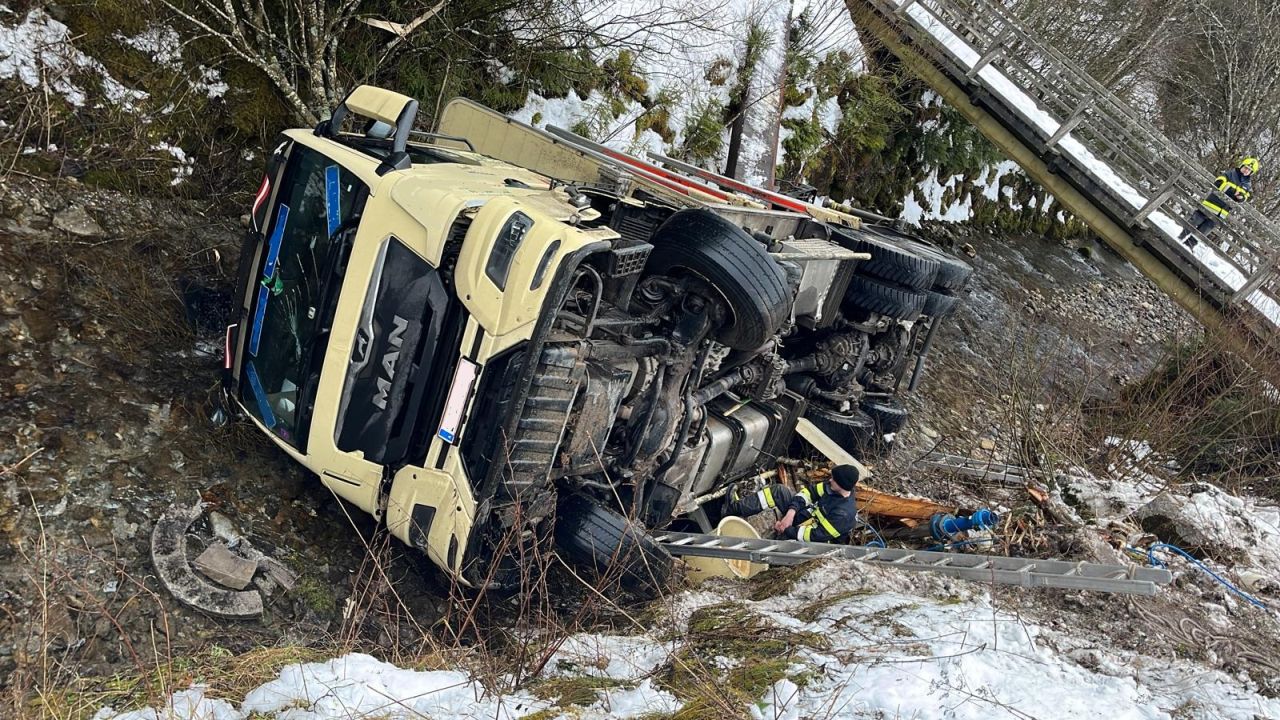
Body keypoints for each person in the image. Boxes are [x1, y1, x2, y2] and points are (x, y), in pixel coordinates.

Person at [723, 464, 862, 543]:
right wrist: (791, 512)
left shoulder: (843, 514)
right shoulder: (832, 487)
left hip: (811, 542)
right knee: (779, 491)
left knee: (784, 543)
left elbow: (815, 536)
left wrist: (786, 530)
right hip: (802, 517)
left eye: (834, 480)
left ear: (843, 485)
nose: (830, 480)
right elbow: (808, 493)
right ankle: (734, 508)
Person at [1181, 156, 1259, 248]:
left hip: (1222, 212)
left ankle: (1188, 246)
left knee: (1203, 231)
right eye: (1246, 167)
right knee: (1194, 222)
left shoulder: (1247, 185)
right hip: (1211, 204)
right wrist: (1233, 192)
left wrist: (1240, 197)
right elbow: (1218, 183)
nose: (1246, 170)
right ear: (1242, 166)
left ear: (1251, 173)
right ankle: (1179, 238)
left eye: (1249, 170)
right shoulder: (1230, 174)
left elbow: (1245, 197)